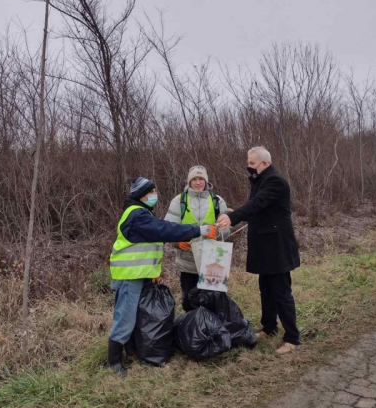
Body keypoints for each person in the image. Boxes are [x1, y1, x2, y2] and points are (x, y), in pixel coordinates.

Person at [108, 176, 218, 375]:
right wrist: (198, 230)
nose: (155, 195)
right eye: (152, 192)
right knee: (125, 316)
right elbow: (165, 229)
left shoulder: (141, 213)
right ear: (142, 194)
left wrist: (152, 273)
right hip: (128, 275)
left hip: (139, 274)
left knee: (134, 315)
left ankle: (131, 349)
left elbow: (149, 243)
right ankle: (114, 360)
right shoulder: (137, 215)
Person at [216, 147, 301, 354]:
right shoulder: (260, 180)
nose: (249, 166)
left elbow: (257, 203)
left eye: (252, 163)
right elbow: (259, 209)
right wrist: (238, 213)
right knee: (266, 289)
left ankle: (292, 338)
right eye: (248, 162)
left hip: (277, 247)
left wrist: (234, 218)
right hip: (265, 246)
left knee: (281, 292)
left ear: (264, 164)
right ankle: (269, 327)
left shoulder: (275, 181)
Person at [164, 166, 231, 311]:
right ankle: (193, 331)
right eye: (194, 179)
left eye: (201, 179)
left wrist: (218, 233)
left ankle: (212, 331)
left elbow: (227, 229)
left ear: (206, 181)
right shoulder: (179, 201)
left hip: (212, 262)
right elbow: (168, 228)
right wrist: (177, 241)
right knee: (189, 301)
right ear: (189, 181)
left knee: (213, 302)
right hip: (187, 262)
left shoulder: (217, 201)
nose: (198, 182)